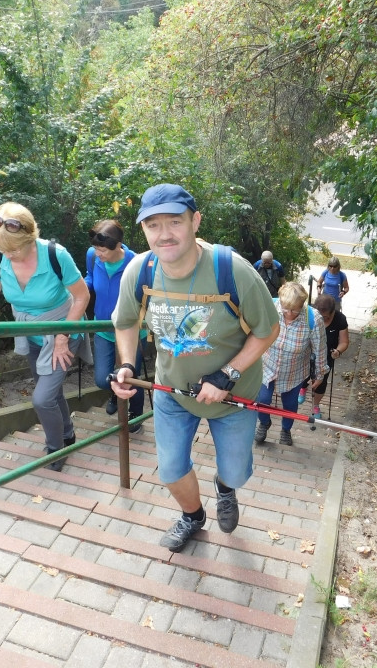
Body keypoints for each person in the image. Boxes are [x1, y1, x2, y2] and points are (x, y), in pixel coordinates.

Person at [110, 183, 280, 553]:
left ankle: (224, 486)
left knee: (235, 471)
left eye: (175, 222)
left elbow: (269, 330)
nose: (164, 234)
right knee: (170, 469)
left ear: (195, 221)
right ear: (143, 230)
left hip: (233, 396)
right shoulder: (139, 272)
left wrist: (227, 375)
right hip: (172, 391)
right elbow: (125, 322)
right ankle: (193, 516)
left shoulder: (232, 270)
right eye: (153, 225)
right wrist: (125, 364)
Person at [0, 202, 91, 471]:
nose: (8, 254)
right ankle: (67, 433)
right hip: (31, 334)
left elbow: (82, 296)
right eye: (3, 248)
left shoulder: (55, 255)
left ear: (30, 237)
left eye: (13, 249)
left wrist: (63, 335)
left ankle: (55, 449)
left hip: (62, 330)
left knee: (42, 398)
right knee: (50, 393)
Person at [83, 219, 146, 432]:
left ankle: (135, 416)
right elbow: (91, 277)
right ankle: (113, 391)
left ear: (118, 246)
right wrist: (82, 287)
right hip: (102, 328)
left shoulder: (136, 263)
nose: (98, 253)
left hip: (130, 331)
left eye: (103, 250)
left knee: (132, 376)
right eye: (95, 248)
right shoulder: (92, 257)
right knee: (102, 379)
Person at [255, 282, 327, 446]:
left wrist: (320, 373)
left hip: (294, 370)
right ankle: (264, 423)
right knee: (262, 399)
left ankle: (286, 429)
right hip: (268, 364)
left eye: (295, 309)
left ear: (303, 304)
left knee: (289, 404)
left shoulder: (313, 319)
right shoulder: (270, 306)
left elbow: (320, 348)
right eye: (286, 308)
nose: (289, 313)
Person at [309, 293, 350, 419]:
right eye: (320, 317)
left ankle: (315, 405)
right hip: (307, 352)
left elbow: (344, 342)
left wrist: (338, 351)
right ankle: (303, 388)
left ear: (333, 312)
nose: (322, 320)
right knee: (303, 377)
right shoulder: (308, 314)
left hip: (327, 354)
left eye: (326, 318)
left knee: (321, 382)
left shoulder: (340, 319)